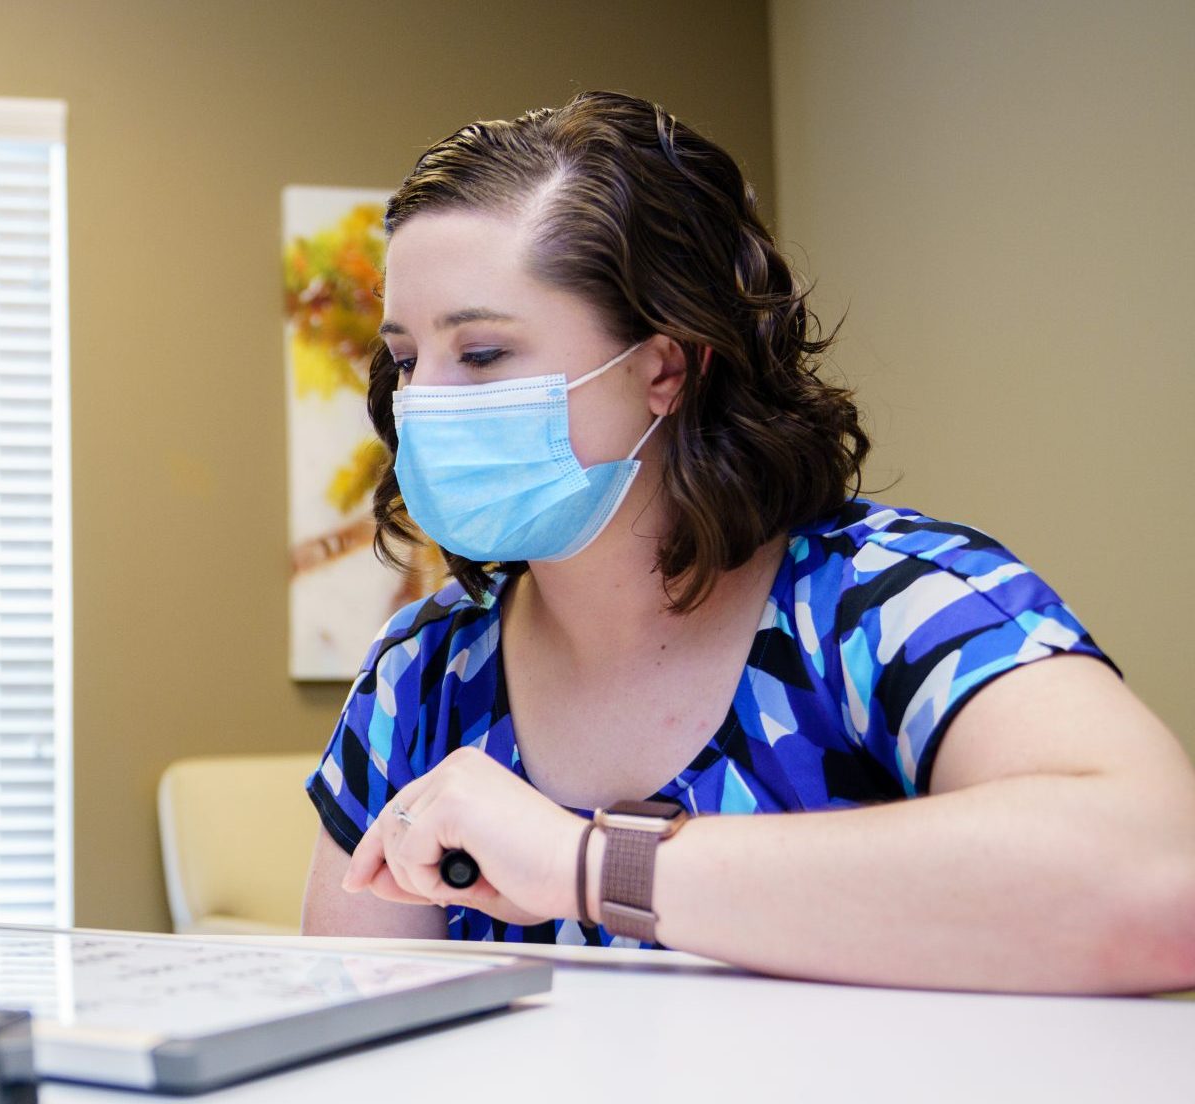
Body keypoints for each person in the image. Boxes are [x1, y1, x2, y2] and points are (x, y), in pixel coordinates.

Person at [301, 91, 1195, 994]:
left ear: (664, 367)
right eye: (409, 360)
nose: (427, 402)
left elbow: (1159, 886)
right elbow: (347, 1041)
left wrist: (590, 865)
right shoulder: (425, 675)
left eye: (484, 354)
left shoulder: (884, 605)